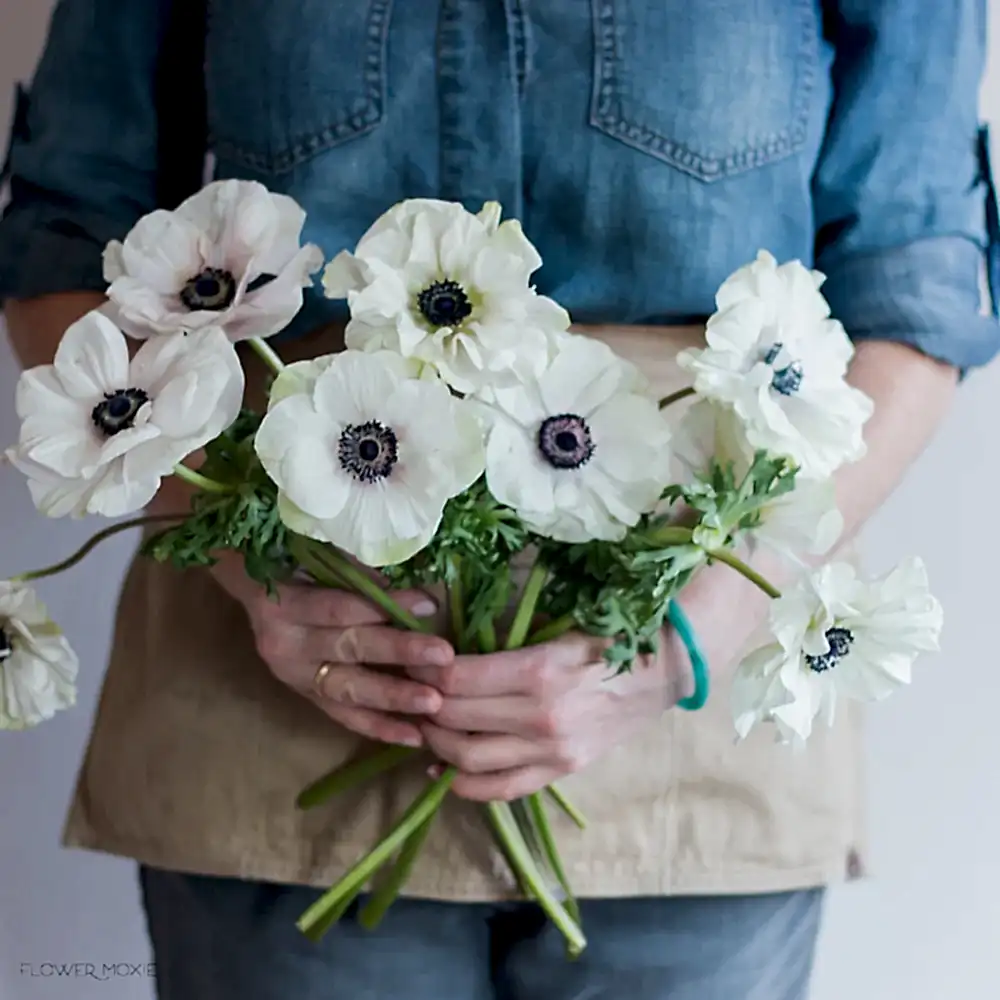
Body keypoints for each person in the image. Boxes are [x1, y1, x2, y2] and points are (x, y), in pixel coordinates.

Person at [2, 2, 998, 998]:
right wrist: (243, 560)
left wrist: (695, 632)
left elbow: (917, 286)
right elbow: (61, 241)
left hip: (697, 711)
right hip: (274, 683)